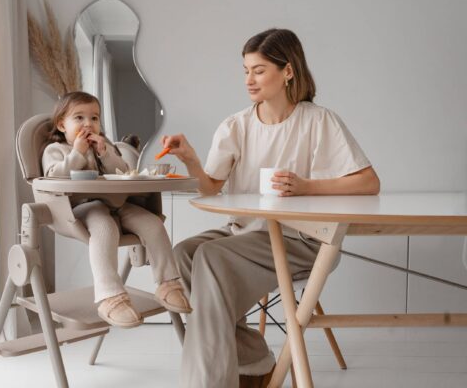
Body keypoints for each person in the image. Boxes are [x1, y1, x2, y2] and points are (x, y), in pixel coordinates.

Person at [161, 29, 380, 388]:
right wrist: (190, 160)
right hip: (245, 234)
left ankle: (208, 383)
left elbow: (368, 182)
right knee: (183, 254)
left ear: (288, 71)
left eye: (259, 70)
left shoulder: (318, 121)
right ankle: (252, 363)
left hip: (301, 239)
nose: (249, 79)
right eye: (246, 70)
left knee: (211, 257)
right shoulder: (236, 126)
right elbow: (211, 187)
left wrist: (308, 187)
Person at [42, 91, 192, 328]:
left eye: (94, 118)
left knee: (153, 224)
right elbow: (53, 177)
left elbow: (123, 171)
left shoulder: (104, 146)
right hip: (81, 207)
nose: (88, 124)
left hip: (117, 202)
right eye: (79, 118)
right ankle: (109, 296)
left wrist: (105, 153)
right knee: (105, 227)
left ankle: (168, 283)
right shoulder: (56, 150)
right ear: (62, 125)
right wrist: (77, 153)